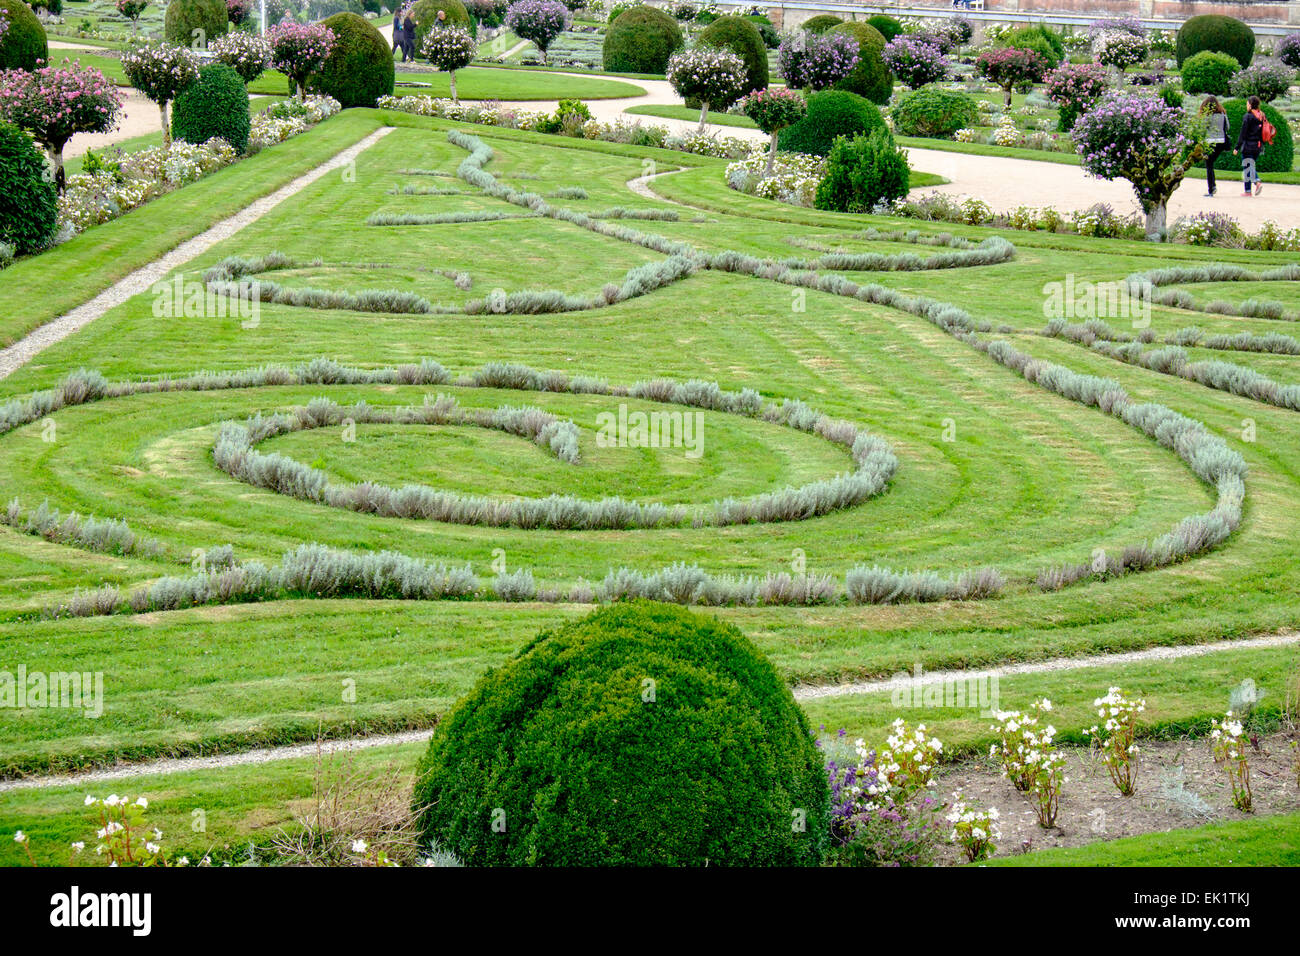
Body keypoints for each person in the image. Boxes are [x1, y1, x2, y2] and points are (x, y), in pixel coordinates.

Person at [1233, 94, 1265, 197]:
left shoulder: (1248, 117)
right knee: (1248, 166)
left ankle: (1257, 181)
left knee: (1248, 166)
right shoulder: (1261, 116)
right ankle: (1247, 191)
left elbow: (1243, 133)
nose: (1246, 105)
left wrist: (1237, 147)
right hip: (1258, 146)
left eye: (1247, 104)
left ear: (1250, 105)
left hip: (1248, 146)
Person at [1200, 96, 1228, 197]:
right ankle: (1213, 186)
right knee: (1211, 163)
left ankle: (1211, 188)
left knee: (1209, 165)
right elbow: (1227, 127)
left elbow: (1203, 129)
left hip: (1210, 142)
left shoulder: (1207, 116)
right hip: (1221, 141)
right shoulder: (1222, 114)